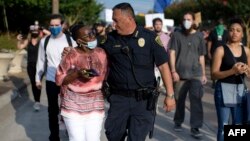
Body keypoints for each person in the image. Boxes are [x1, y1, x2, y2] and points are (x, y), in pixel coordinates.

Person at [102, 3, 175, 141]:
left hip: (143, 101)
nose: (114, 24)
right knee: (113, 135)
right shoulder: (110, 39)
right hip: (118, 99)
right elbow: (95, 56)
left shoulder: (150, 37)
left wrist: (170, 95)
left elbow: (164, 66)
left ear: (129, 18)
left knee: (137, 138)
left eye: (116, 20)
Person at [55, 24, 108, 141]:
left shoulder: (101, 53)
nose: (93, 36)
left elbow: (105, 75)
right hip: (73, 106)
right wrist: (77, 74)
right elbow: (59, 80)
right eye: (88, 35)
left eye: (93, 32)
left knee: (94, 139)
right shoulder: (70, 55)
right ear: (79, 41)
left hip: (95, 105)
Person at [35, 14, 77, 141]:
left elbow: (78, 61)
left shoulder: (71, 41)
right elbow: (41, 60)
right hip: (51, 80)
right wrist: (37, 78)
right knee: (52, 111)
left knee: (70, 110)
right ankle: (54, 136)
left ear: (62, 25)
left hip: (68, 80)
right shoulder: (44, 41)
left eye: (56, 25)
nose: (54, 28)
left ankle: (72, 135)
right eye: (51, 25)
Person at [168, 11, 207, 139]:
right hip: (180, 74)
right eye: (184, 19)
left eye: (189, 19)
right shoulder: (176, 35)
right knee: (179, 100)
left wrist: (204, 74)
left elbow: (201, 56)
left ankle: (195, 127)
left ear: (194, 21)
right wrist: (173, 71)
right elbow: (172, 53)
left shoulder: (200, 36)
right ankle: (178, 121)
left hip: (196, 74)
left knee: (196, 100)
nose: (186, 21)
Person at [211, 18, 250, 141]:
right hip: (223, 90)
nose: (234, 33)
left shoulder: (247, 50)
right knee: (224, 126)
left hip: (240, 91)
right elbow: (214, 74)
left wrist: (247, 71)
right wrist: (232, 71)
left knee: (238, 126)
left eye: (238, 30)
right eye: (232, 30)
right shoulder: (221, 50)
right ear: (228, 32)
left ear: (242, 34)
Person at [16, 25, 46, 111]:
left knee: (38, 83)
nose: (35, 32)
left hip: (40, 66)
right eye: (33, 30)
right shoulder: (27, 41)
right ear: (30, 32)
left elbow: (50, 34)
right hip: (31, 66)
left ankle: (37, 101)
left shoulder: (42, 41)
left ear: (39, 32)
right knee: (33, 83)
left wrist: (41, 28)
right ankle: (37, 101)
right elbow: (19, 47)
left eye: (36, 30)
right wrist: (18, 40)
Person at [207, 18, 229, 88]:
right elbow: (209, 42)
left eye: (221, 24)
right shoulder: (213, 32)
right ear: (217, 24)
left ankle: (221, 81)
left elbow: (228, 43)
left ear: (223, 24)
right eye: (219, 23)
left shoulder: (226, 32)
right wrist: (208, 52)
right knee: (213, 68)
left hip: (224, 53)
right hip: (214, 53)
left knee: (223, 67)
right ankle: (214, 82)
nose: (220, 25)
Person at [152, 17, 171, 91]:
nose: (158, 26)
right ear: (153, 25)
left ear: (162, 25)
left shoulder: (167, 38)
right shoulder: (150, 36)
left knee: (159, 87)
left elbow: (169, 53)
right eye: (156, 24)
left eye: (160, 24)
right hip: (152, 66)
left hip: (163, 66)